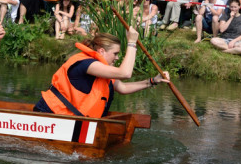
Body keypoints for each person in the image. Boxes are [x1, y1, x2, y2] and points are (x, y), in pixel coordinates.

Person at [33, 27, 170, 117]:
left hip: (69, 117)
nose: (117, 57)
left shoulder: (102, 68)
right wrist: (132, 43)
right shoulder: (86, 64)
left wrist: (152, 81)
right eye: (115, 53)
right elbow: (125, 73)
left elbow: (122, 87)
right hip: (50, 112)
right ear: (102, 51)